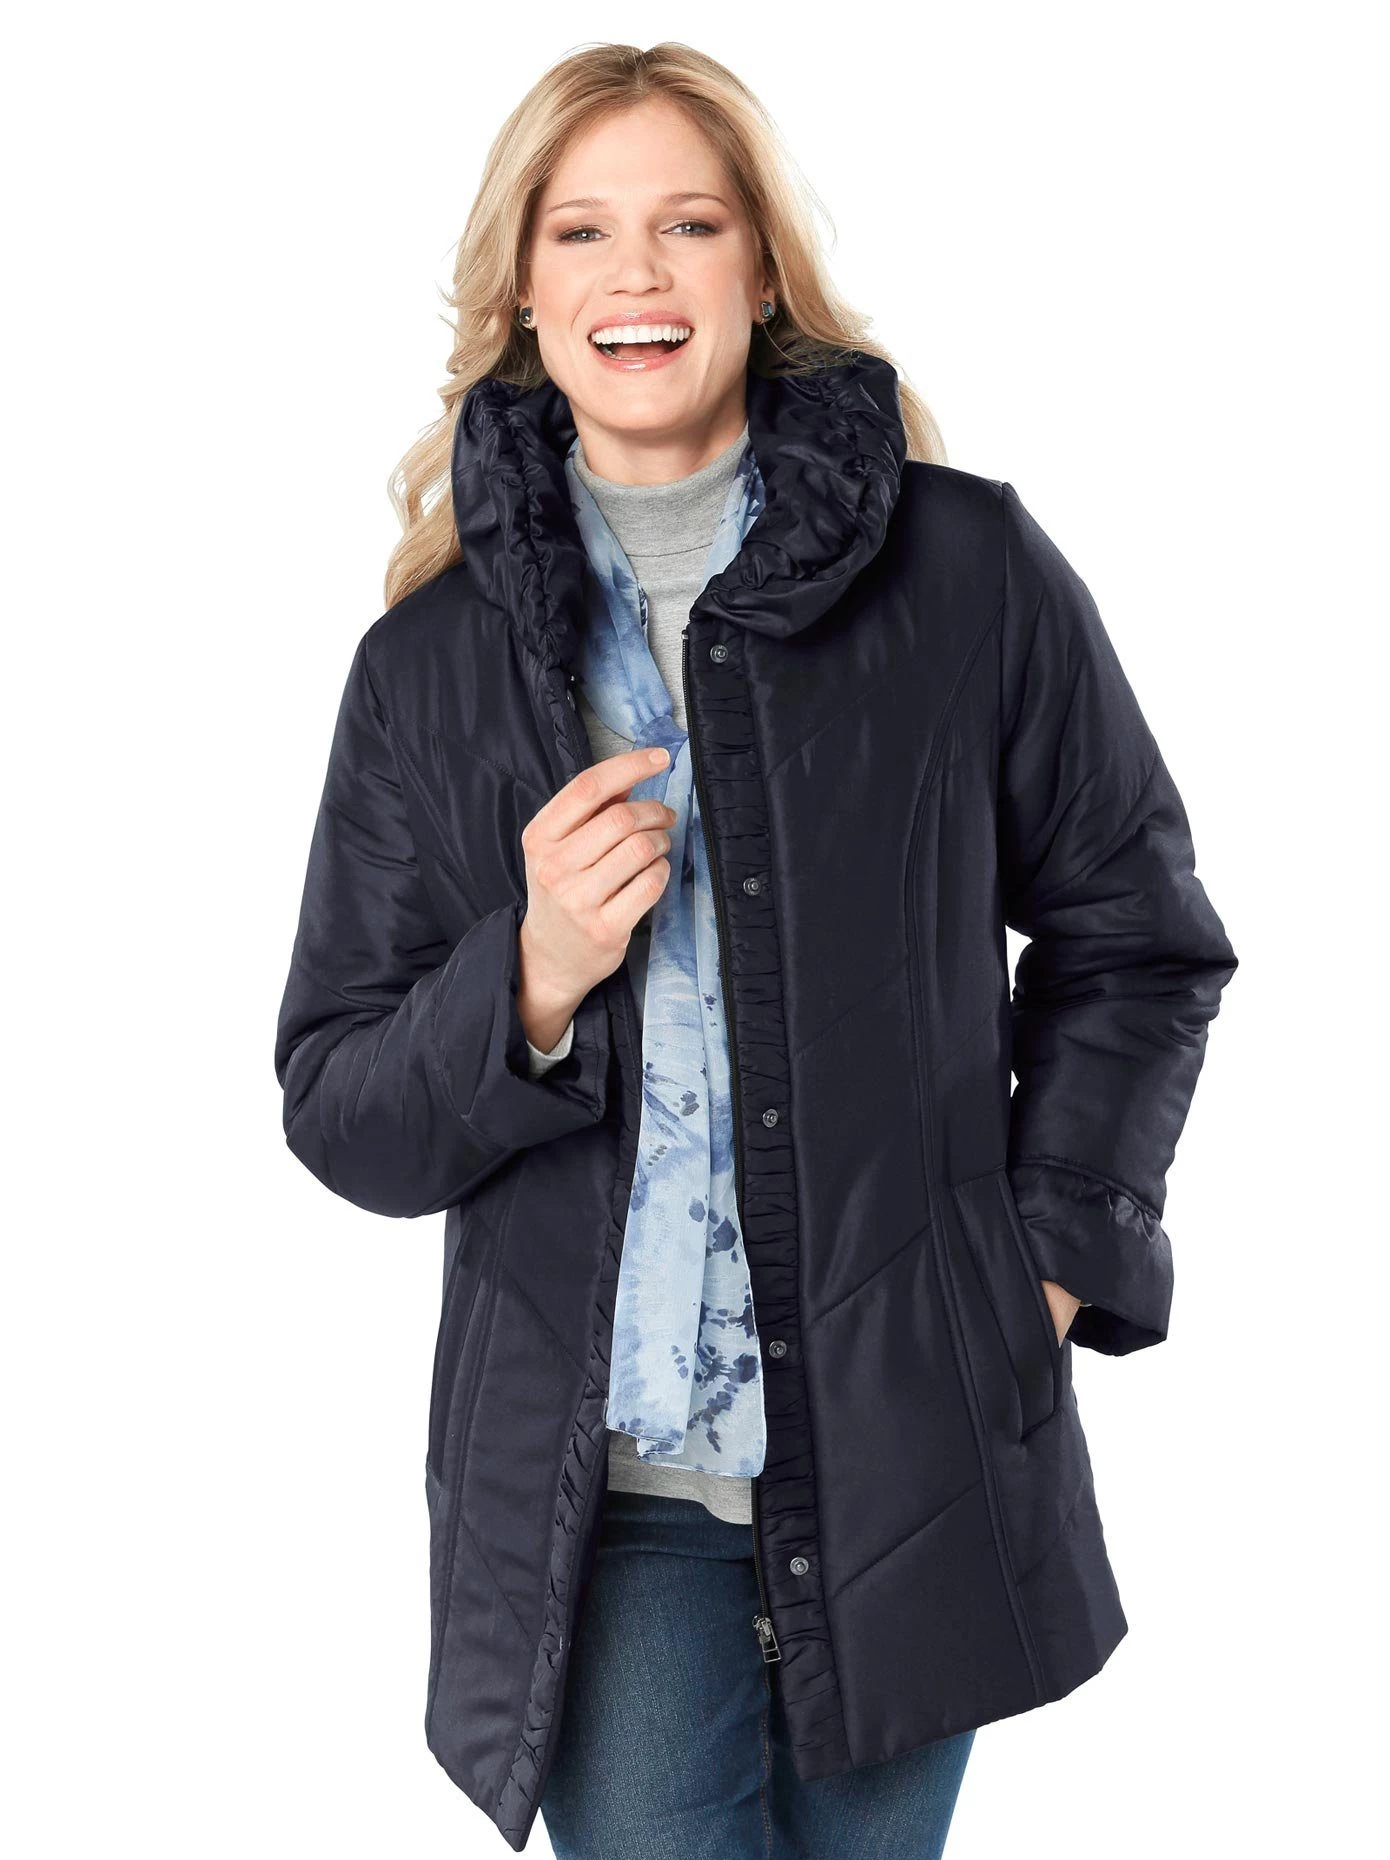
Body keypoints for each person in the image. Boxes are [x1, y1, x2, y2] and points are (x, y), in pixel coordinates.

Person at [273, 41, 1238, 1859]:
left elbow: (1135, 940)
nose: (634, 273)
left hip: (906, 1455)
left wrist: (1039, 1270)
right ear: (522, 292)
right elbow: (341, 1107)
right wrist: (531, 975)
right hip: (604, 1501)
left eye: (689, 224)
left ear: (763, 271)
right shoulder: (428, 667)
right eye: (581, 231)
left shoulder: (964, 575)